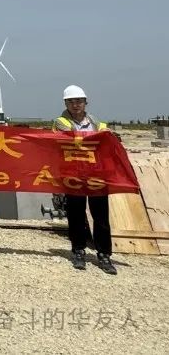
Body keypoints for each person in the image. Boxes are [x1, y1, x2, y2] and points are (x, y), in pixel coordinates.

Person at [53, 85, 116, 275]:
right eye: (71, 102)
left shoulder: (97, 123)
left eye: (79, 101)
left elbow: (106, 138)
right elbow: (70, 139)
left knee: (101, 216)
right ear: (65, 104)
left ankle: (104, 254)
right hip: (74, 175)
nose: (75, 105)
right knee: (76, 214)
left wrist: (107, 135)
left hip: (96, 175)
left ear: (85, 102)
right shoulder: (61, 122)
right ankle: (78, 250)